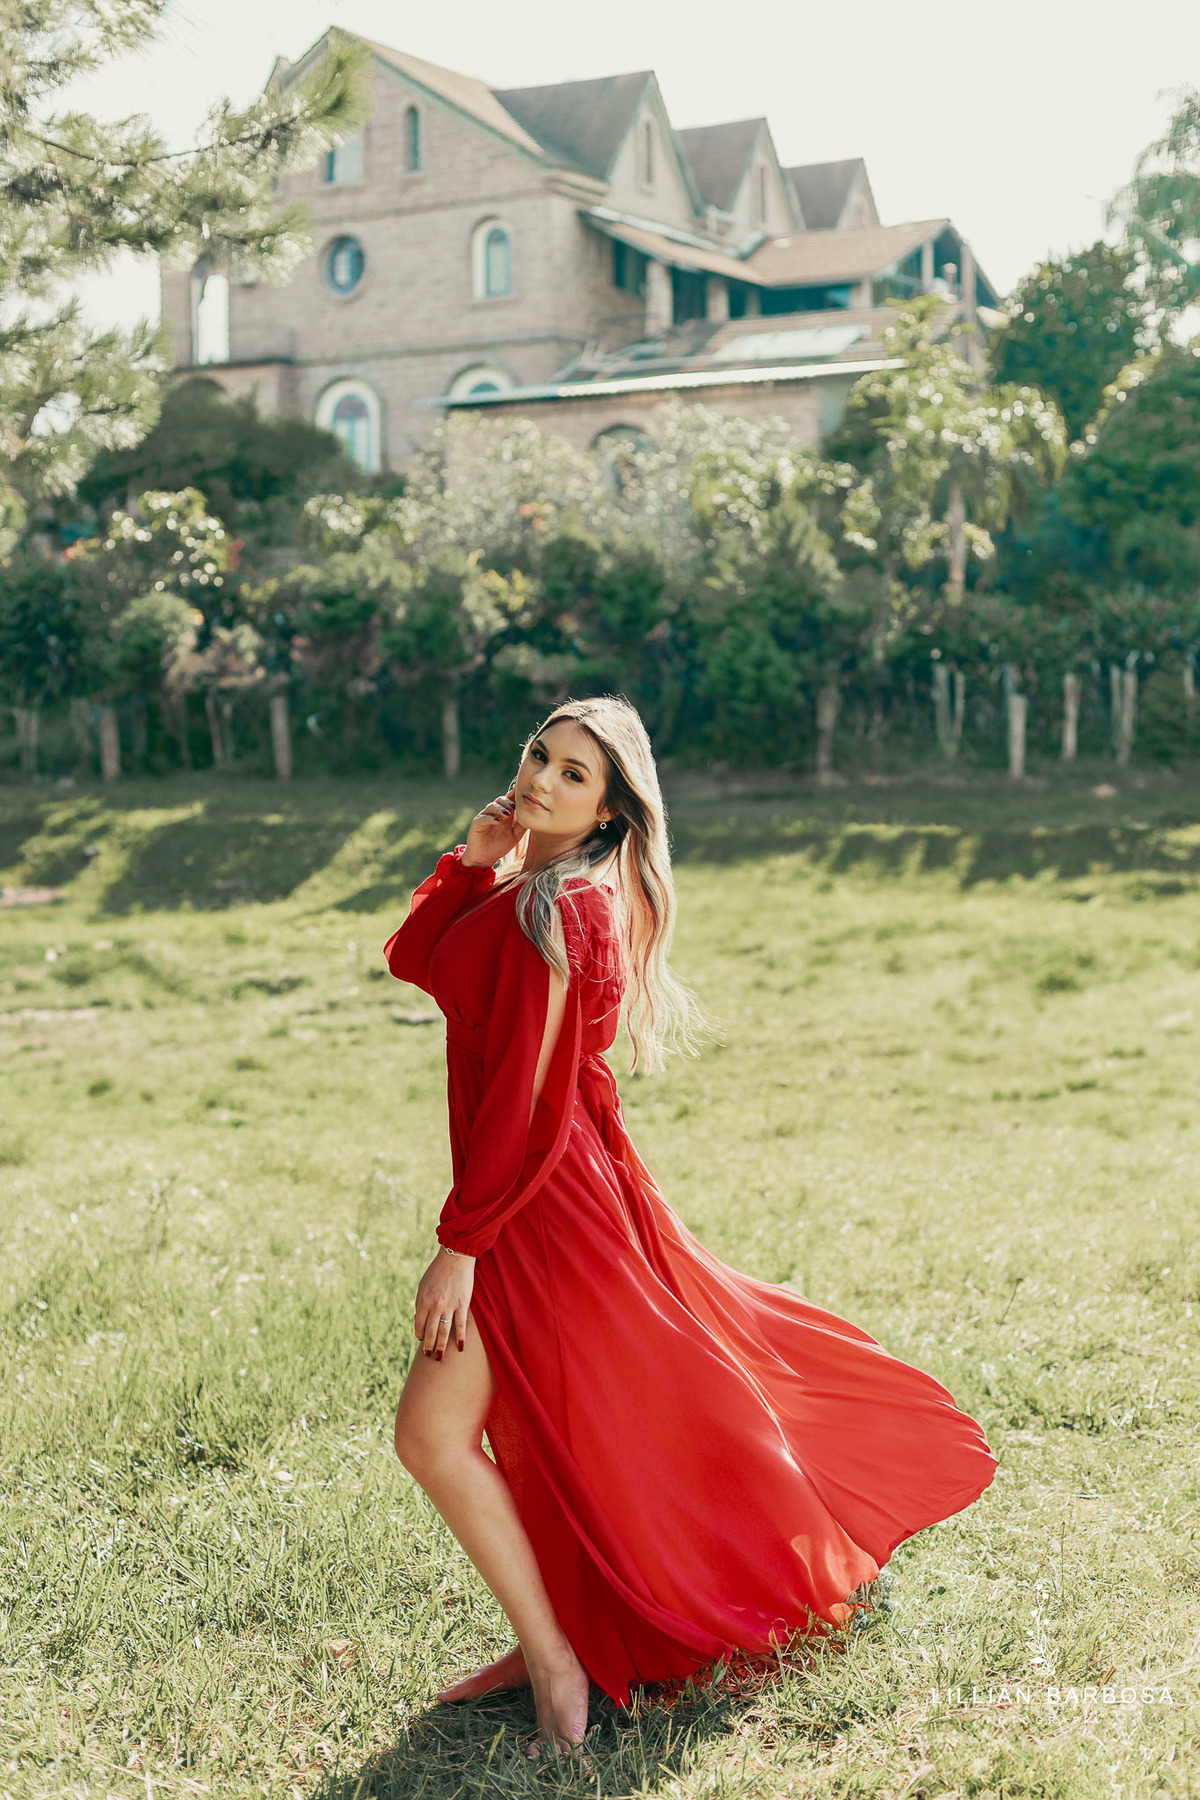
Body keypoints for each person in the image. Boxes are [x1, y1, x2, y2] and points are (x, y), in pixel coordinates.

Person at [385, 695, 996, 1760]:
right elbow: (418, 965)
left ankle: (561, 1667)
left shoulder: (570, 908)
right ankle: (557, 1652)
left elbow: (526, 1107)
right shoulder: (528, 883)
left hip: (539, 1205)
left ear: (614, 806)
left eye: (573, 775)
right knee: (459, 1435)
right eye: (539, 756)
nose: (539, 779)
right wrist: (473, 860)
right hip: (530, 1194)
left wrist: (462, 1245)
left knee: (441, 1435)